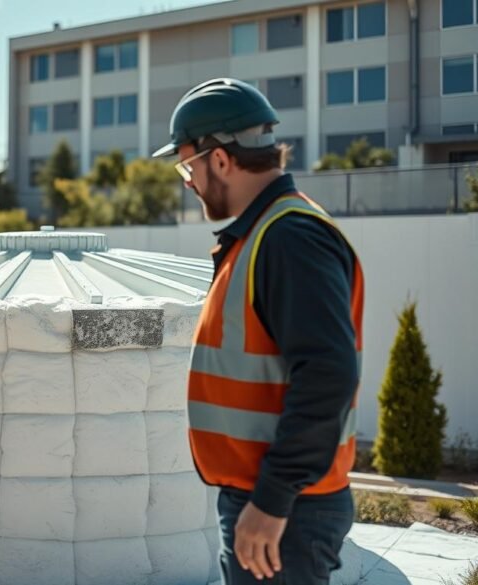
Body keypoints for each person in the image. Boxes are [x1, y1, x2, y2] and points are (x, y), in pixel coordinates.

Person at [152, 78, 364, 584]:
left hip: (287, 510)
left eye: (188, 166)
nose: (188, 182)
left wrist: (271, 501)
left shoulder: (289, 238)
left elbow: (328, 375)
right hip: (275, 501)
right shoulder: (263, 233)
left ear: (220, 159)